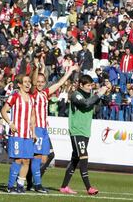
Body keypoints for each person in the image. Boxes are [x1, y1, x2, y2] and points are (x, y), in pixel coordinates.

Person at [26, 60, 79, 193]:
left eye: (42, 82)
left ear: (45, 83)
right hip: (36, 128)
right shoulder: (33, 93)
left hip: (44, 129)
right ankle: (36, 184)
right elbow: (33, 82)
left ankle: (30, 182)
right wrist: (38, 68)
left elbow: (60, 83)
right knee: (37, 158)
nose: (39, 84)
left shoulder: (45, 93)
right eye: (37, 82)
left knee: (45, 157)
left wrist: (71, 70)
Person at [60, 74, 107, 195]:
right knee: (84, 156)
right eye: (87, 85)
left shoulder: (91, 95)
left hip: (86, 131)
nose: (90, 87)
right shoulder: (76, 95)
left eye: (91, 85)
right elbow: (86, 104)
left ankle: (64, 186)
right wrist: (99, 94)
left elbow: (96, 109)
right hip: (77, 131)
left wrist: (100, 97)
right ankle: (89, 188)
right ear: (81, 85)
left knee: (75, 159)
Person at [1, 74, 36, 193]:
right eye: (25, 82)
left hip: (28, 134)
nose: (28, 84)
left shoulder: (31, 98)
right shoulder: (15, 96)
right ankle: (10, 186)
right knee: (18, 160)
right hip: (17, 134)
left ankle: (20, 185)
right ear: (19, 84)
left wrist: (34, 132)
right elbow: (4, 111)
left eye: (29, 82)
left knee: (27, 160)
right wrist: (10, 123)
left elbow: (32, 116)